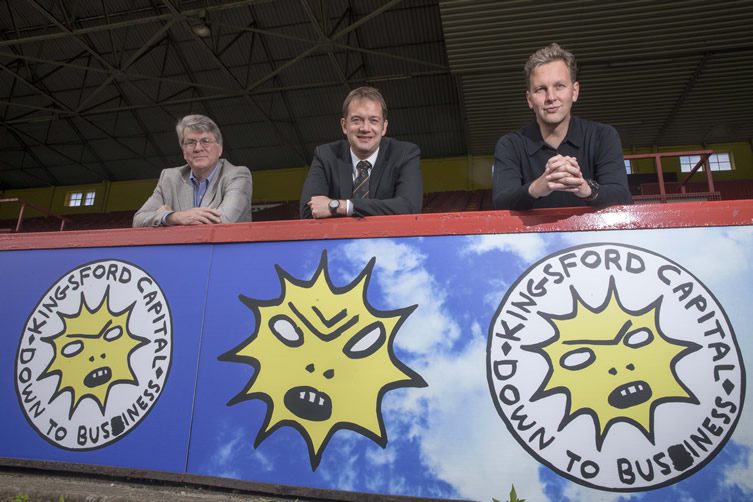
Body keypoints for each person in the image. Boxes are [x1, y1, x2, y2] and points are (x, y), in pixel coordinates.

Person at [492, 43, 632, 210]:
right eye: (541, 89)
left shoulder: (603, 136)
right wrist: (538, 187)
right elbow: (500, 202)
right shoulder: (510, 145)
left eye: (559, 86)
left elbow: (622, 196)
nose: (551, 97)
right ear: (529, 99)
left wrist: (585, 188)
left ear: (574, 92)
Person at [299, 86, 423, 219]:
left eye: (373, 120)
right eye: (356, 120)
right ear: (344, 125)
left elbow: (409, 207)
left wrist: (342, 206)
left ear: (384, 127)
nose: (365, 128)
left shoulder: (405, 154)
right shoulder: (325, 155)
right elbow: (309, 211)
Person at [133, 114, 252, 227]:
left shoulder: (238, 175)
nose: (198, 148)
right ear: (183, 151)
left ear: (220, 148)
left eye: (205, 141)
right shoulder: (169, 177)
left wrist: (168, 219)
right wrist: (174, 217)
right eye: (191, 142)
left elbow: (223, 221)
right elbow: (138, 220)